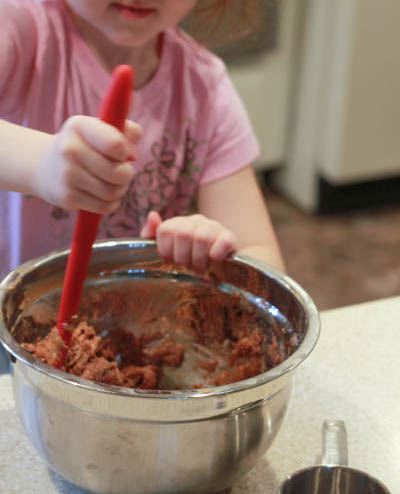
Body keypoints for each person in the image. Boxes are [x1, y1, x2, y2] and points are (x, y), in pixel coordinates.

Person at [0, 0, 285, 280]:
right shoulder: (16, 25)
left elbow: (261, 259)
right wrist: (38, 163)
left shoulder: (206, 89)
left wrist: (211, 256)